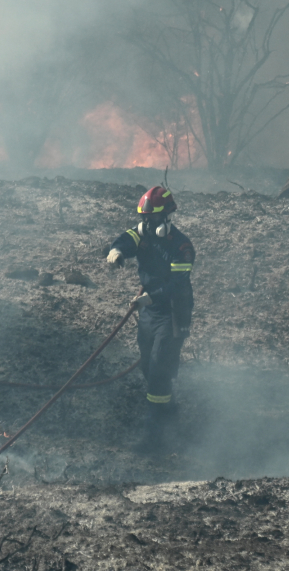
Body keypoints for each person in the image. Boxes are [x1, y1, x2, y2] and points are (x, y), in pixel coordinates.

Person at [106, 186, 195, 453]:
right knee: (148, 366)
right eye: (145, 218)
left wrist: (150, 298)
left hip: (172, 312)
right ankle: (169, 409)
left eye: (153, 218)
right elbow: (127, 239)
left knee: (158, 369)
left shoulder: (182, 247)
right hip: (148, 311)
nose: (148, 223)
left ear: (166, 217)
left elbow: (177, 285)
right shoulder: (143, 233)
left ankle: (154, 438)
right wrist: (116, 251)